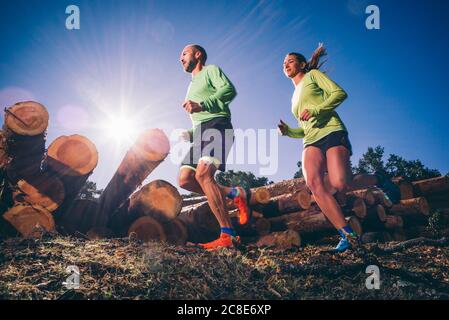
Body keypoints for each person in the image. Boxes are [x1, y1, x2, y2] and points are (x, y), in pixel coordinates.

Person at [278, 43, 400, 253]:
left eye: (290, 60)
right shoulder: (293, 97)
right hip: (311, 140)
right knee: (315, 184)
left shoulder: (313, 76)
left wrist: (317, 108)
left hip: (332, 131)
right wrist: (289, 131)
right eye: (283, 63)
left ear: (301, 64)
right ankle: (348, 236)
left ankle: (379, 178)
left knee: (341, 183)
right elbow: (305, 128)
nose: (285, 64)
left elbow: (339, 94)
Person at [178, 44, 251, 250]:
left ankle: (228, 236)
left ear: (197, 54)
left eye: (184, 53)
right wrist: (190, 133)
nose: (180, 58)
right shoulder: (190, 86)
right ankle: (234, 193)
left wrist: (203, 105)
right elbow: (199, 118)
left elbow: (229, 90)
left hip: (218, 126)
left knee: (203, 175)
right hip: (200, 133)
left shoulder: (211, 70)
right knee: (185, 179)